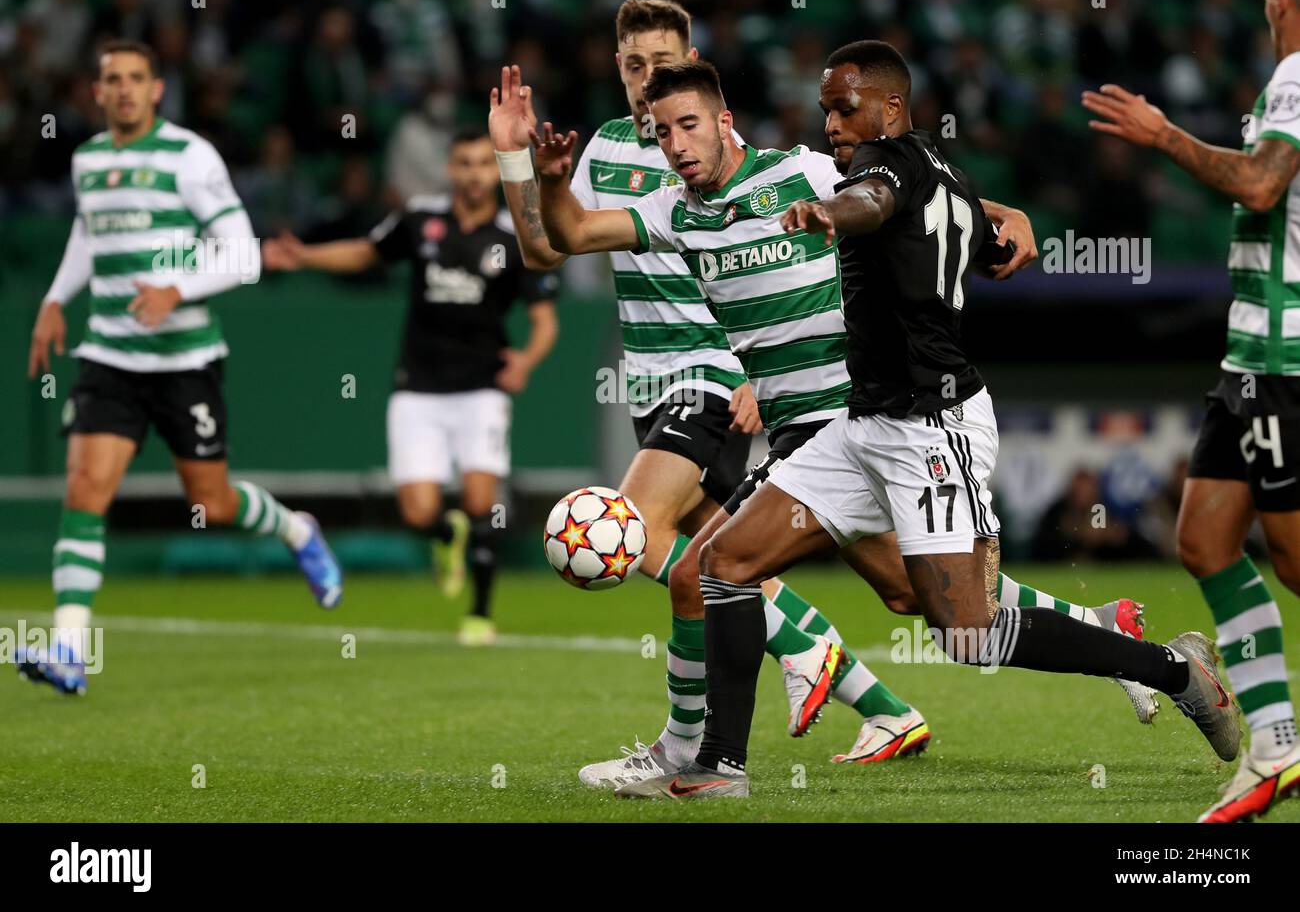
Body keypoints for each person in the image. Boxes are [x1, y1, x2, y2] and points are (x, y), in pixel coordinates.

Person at [525, 51, 1177, 798]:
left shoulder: (800, 172)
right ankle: (1110, 632)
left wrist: (1007, 213)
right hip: (815, 432)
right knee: (913, 597)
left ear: (724, 121)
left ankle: (695, 755)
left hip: (852, 416)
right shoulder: (674, 214)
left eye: (689, 125)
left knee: (713, 575)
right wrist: (543, 175)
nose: (675, 144)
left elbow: (906, 192)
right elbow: (567, 233)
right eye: (661, 131)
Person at [19, 40, 342, 696]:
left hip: (184, 360)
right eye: (112, 78)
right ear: (97, 91)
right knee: (84, 490)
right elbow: (88, 234)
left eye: (137, 78)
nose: (125, 89)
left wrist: (174, 287)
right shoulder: (87, 160)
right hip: (108, 355)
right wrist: (55, 298)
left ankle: (295, 528)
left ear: (157, 89)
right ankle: (70, 651)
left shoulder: (190, 157)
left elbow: (242, 255)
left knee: (211, 501)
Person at [1081, 0, 1300, 822]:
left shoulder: (1295, 76)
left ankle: (1280, 746)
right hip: (1249, 362)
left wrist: (1164, 135)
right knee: (1207, 539)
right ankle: (1277, 746)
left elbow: (1258, 182)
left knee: (1293, 558)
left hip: (1287, 362)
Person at [263, 129, 558, 646]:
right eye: (463, 163)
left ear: (496, 173)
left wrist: (526, 361)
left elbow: (545, 321)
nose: (473, 174)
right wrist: (305, 256)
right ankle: (446, 537)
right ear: (450, 169)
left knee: (481, 501)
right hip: (417, 387)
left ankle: (480, 616)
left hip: (481, 389)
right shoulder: (422, 221)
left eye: (482, 165)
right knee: (417, 512)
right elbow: (365, 253)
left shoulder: (513, 239)